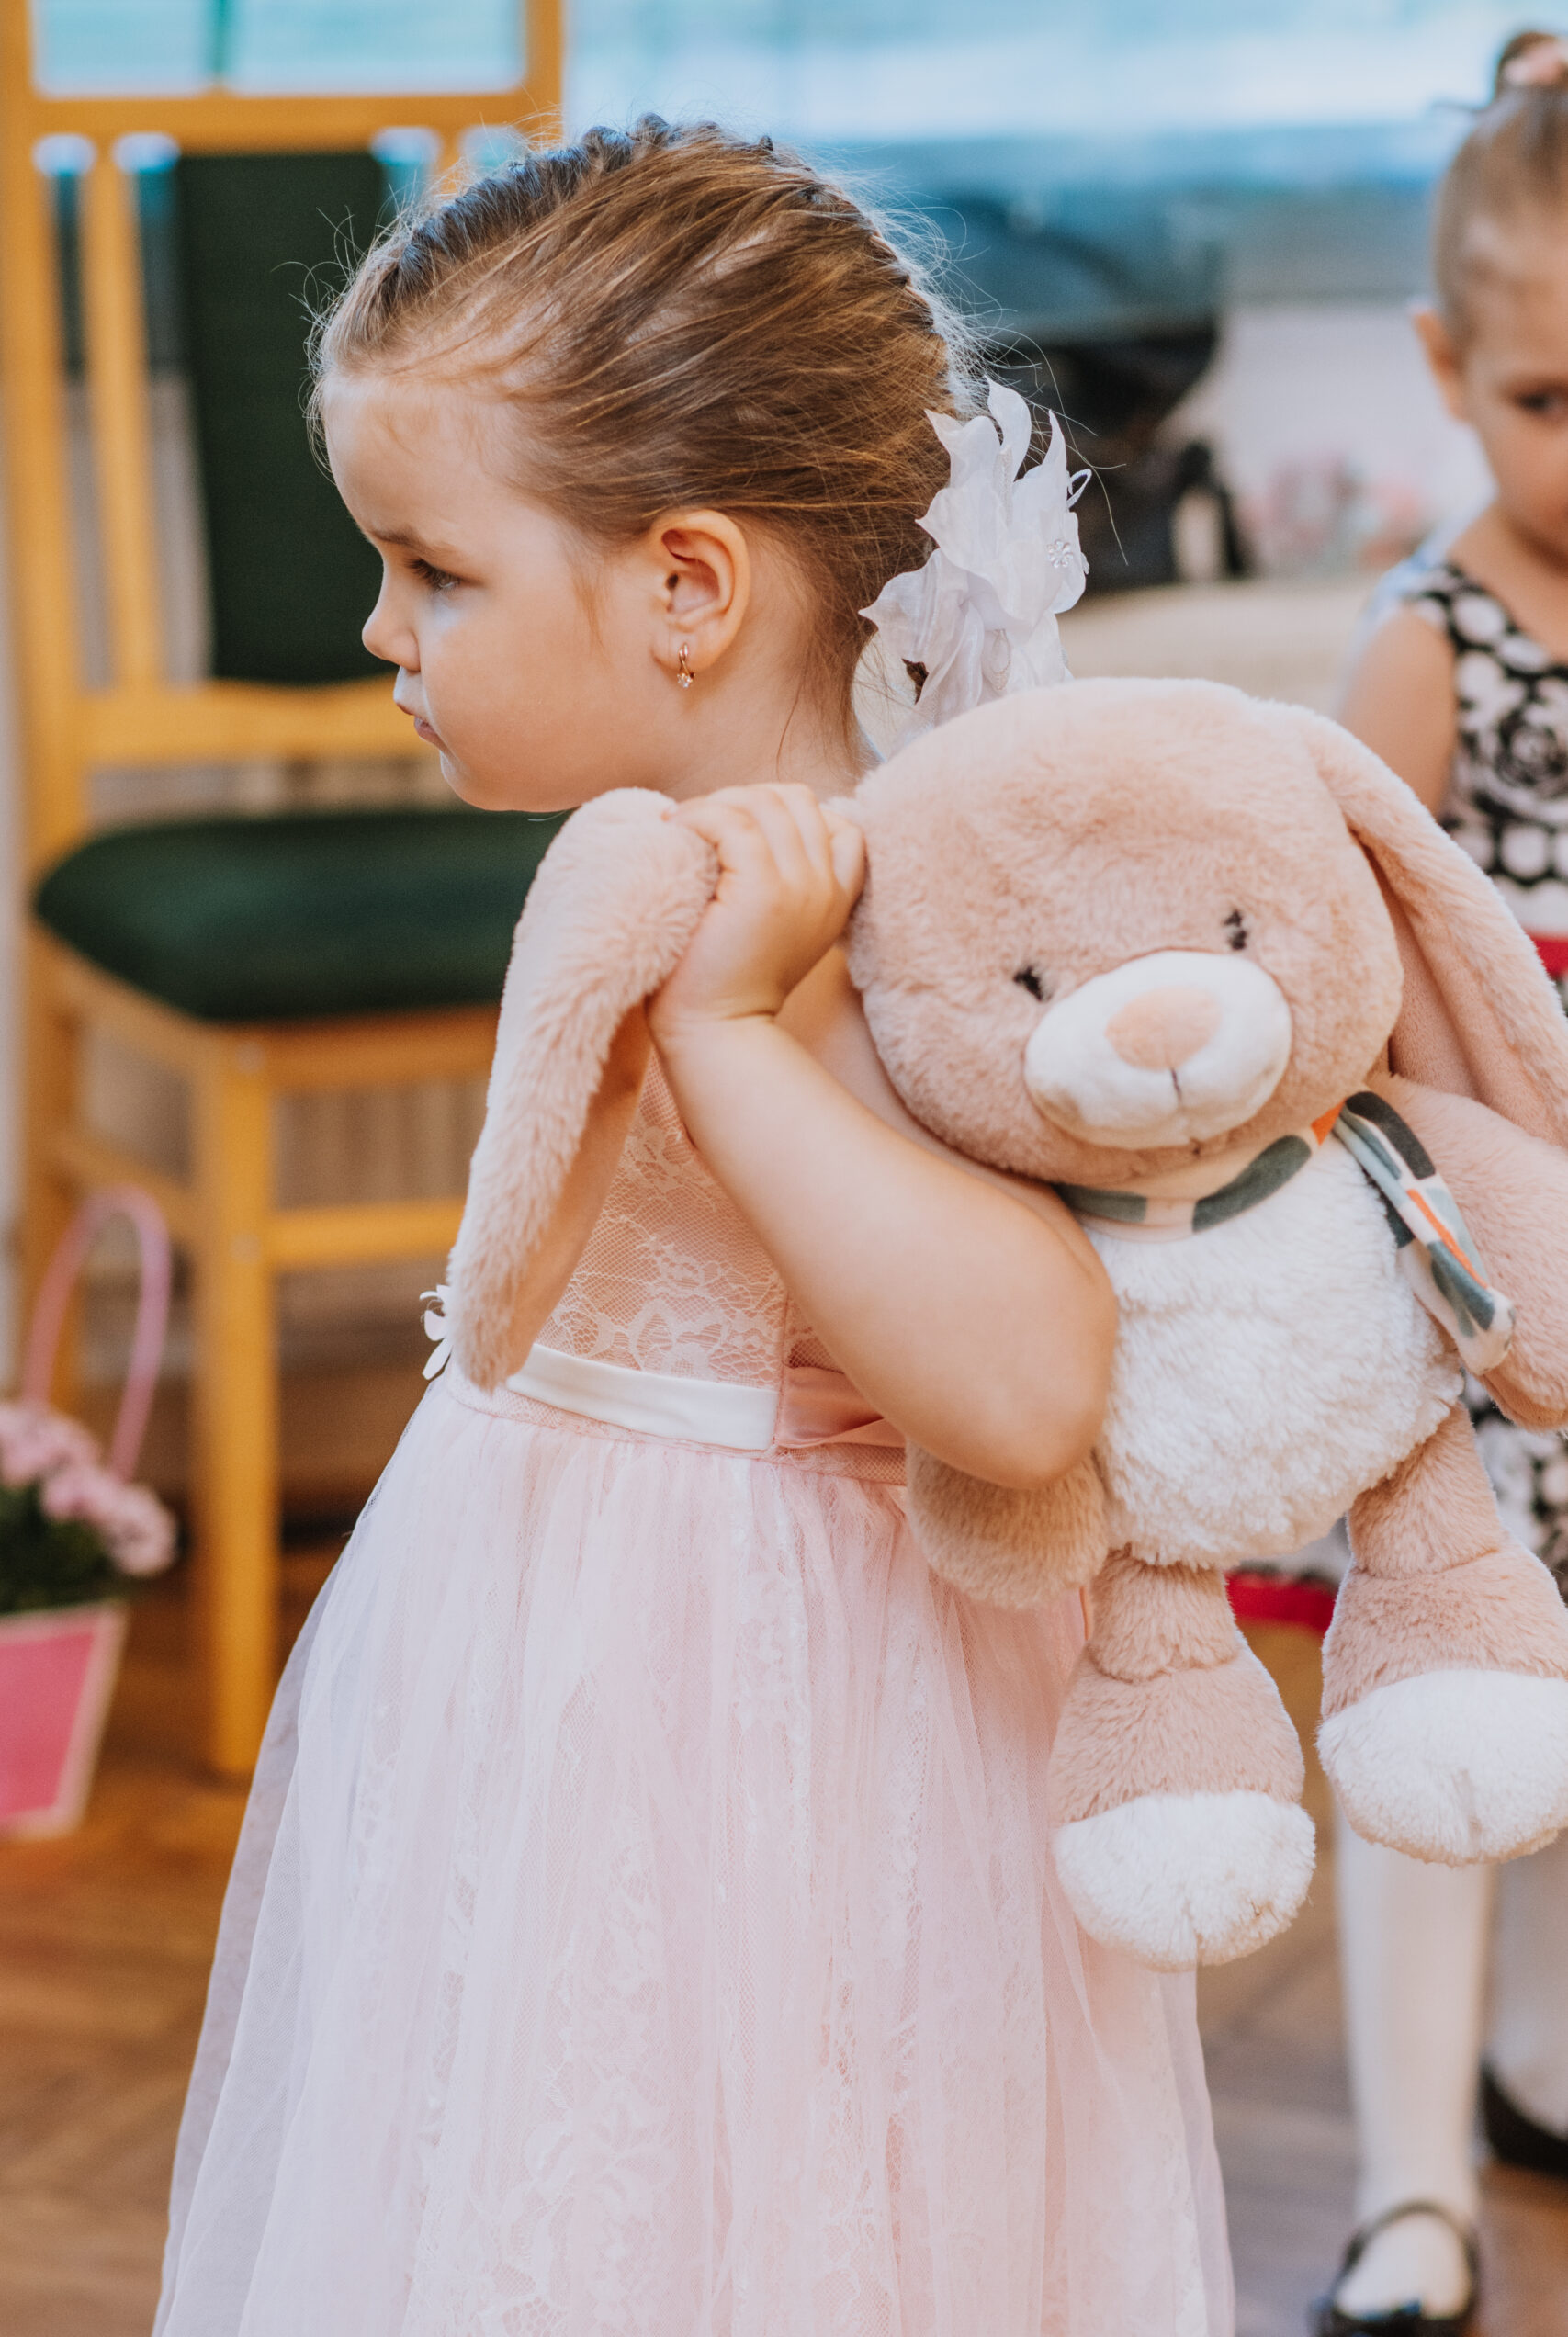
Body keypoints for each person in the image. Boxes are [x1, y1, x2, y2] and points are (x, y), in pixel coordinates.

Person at [152, 120, 1232, 2337]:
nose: (378, 629)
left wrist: (729, 1038)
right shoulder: (632, 873)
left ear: (683, 585)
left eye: (431, 570)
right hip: (544, 1665)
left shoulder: (895, 927)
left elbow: (1028, 1388)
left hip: (802, 1720)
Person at [1328, 28, 1568, 2337]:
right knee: (1447, 1702)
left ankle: (1542, 2061)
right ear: (1442, 367)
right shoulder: (1438, 639)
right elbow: (1334, 952)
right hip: (1481, 1289)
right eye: (1546, 401)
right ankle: (1410, 2190)